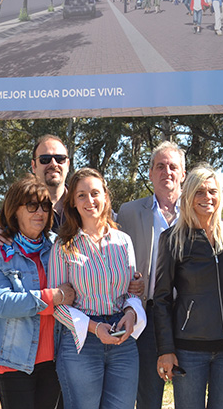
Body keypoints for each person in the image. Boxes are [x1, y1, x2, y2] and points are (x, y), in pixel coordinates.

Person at [0, 174, 76, 409]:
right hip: (13, 360)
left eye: (45, 206)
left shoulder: (57, 247)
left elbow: (79, 284)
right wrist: (53, 297)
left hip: (53, 359)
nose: (40, 212)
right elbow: (3, 304)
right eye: (32, 205)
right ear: (14, 211)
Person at [49, 168, 145, 409]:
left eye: (94, 193)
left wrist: (131, 314)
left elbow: (131, 293)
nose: (89, 201)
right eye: (81, 195)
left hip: (122, 341)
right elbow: (57, 306)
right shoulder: (63, 245)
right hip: (81, 344)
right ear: (72, 202)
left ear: (105, 196)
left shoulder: (123, 241)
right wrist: (94, 328)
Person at [153, 165, 223, 409]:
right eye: (200, 192)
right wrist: (166, 349)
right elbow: (161, 298)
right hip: (188, 350)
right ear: (188, 196)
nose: (207, 198)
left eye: (212, 192)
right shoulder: (173, 239)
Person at [116, 142, 186, 409]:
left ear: (182, 174)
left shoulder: (197, 210)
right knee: (147, 396)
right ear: (150, 173)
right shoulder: (129, 212)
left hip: (186, 318)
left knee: (188, 395)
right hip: (146, 315)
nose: (166, 171)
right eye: (160, 166)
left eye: (172, 167)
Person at [0, 135, 72, 251]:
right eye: (45, 159)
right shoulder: (19, 204)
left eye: (60, 158)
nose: (54, 164)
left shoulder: (82, 203)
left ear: (68, 164)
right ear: (34, 166)